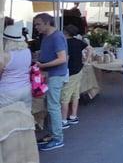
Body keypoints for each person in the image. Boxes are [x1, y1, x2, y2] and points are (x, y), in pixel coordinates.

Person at [34, 13, 68, 151]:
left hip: (55, 74)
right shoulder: (46, 37)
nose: (36, 27)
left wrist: (42, 65)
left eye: (38, 24)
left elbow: (62, 59)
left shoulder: (57, 36)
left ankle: (58, 138)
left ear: (47, 23)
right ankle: (52, 134)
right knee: (50, 105)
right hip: (49, 74)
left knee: (53, 106)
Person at [61, 25, 93, 128]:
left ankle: (63, 120)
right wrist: (87, 60)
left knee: (65, 96)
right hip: (79, 69)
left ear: (65, 32)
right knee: (75, 94)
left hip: (69, 71)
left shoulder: (65, 43)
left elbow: (65, 59)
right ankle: (73, 116)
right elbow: (89, 48)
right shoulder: (78, 42)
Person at [0, 25, 32, 109]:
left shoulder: (5, 56)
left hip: (8, 91)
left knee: (6, 119)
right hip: (26, 88)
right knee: (25, 117)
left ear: (6, 40)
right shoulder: (27, 51)